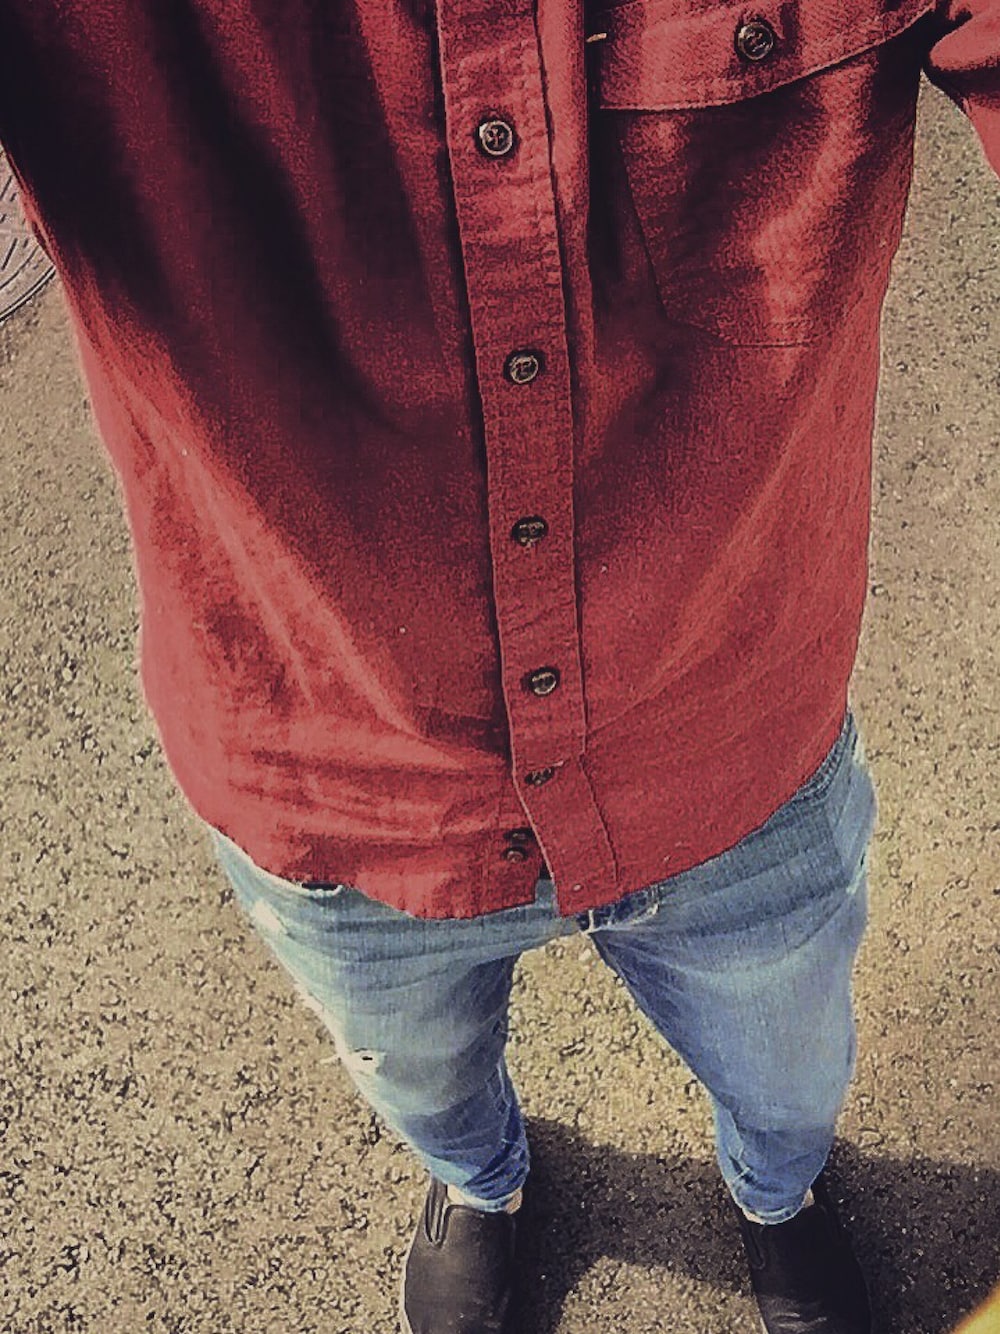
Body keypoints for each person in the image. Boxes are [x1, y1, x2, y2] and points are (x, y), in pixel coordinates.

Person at [1, 3, 996, 1331]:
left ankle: (781, 1193)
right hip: (339, 779)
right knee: (422, 1084)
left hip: (736, 728)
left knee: (792, 1076)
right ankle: (482, 1184)